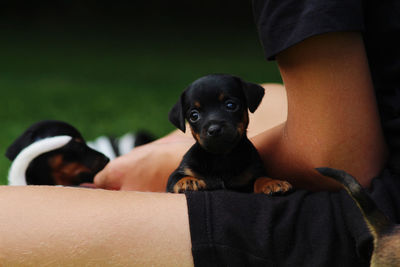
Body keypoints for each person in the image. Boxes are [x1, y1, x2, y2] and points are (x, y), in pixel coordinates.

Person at [1, 0, 399, 265]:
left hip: (376, 215)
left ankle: (134, 158)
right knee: (280, 95)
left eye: (231, 106)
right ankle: (137, 151)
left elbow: (336, 159)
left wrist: (171, 167)